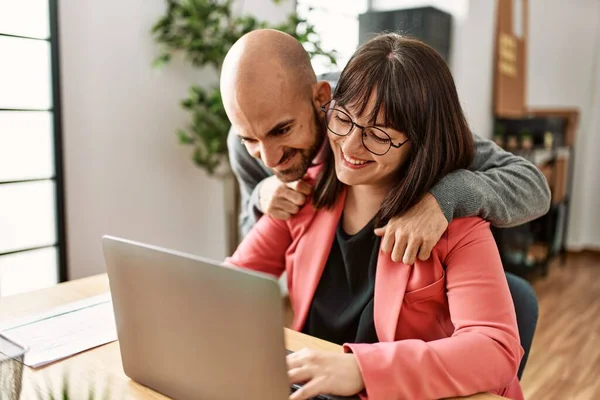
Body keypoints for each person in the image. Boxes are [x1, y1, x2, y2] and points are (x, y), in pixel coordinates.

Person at [223, 32, 524, 400]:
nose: (349, 147)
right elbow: (233, 281)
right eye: (344, 121)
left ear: (421, 140)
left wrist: (362, 370)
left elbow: (496, 349)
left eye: (378, 135)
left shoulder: (455, 223)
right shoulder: (307, 191)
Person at [223, 31, 550, 266]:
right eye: (249, 139)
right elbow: (256, 254)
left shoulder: (382, 104)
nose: (269, 157)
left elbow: (532, 185)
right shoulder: (246, 146)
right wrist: (261, 197)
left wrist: (445, 196)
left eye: (283, 130)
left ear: (323, 98)